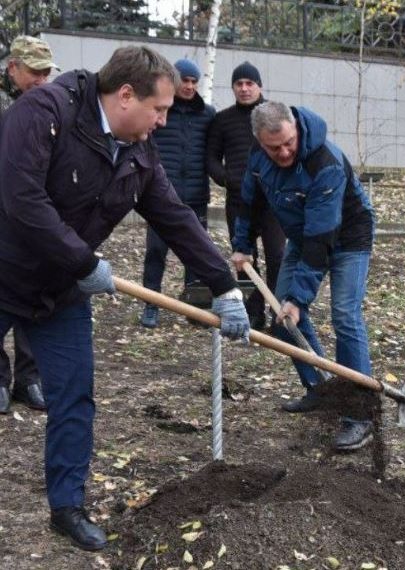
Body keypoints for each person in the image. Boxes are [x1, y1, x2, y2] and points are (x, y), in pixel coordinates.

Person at [0, 45, 249, 551]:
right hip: (5, 270)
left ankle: (67, 507)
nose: (163, 121)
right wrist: (84, 262)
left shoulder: (137, 150)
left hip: (57, 290)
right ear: (126, 95)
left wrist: (224, 285)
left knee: (74, 396)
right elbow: (22, 199)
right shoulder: (44, 111)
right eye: (159, 109)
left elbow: (174, 215)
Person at [231, 101, 375, 449]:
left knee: (344, 316)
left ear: (295, 128)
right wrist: (243, 244)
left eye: (288, 143)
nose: (283, 152)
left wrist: (298, 298)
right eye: (274, 147)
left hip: (348, 237)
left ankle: (360, 414)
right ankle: (320, 389)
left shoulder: (325, 163)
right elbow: (249, 202)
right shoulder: (258, 156)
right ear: (260, 141)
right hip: (303, 235)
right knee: (283, 318)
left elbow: (321, 239)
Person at [0, 35, 59, 413]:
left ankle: (29, 378)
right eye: (34, 71)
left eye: (45, 72)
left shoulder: (53, 105)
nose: (41, 79)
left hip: (36, 213)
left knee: (32, 296)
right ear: (13, 68)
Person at [207, 61, 285, 331]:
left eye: (249, 83)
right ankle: (253, 312)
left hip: (272, 201)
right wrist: (227, 179)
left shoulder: (274, 115)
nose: (244, 88)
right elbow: (211, 158)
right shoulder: (222, 120)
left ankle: (279, 313)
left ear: (259, 86)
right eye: (239, 84)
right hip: (239, 202)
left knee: (277, 257)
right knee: (244, 260)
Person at [140, 58, 216, 328]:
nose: (190, 86)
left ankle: (195, 307)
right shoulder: (159, 110)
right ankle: (151, 304)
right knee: (156, 252)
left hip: (196, 195)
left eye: (194, 81)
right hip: (161, 196)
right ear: (174, 80)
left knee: (195, 252)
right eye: (185, 80)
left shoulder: (208, 115)